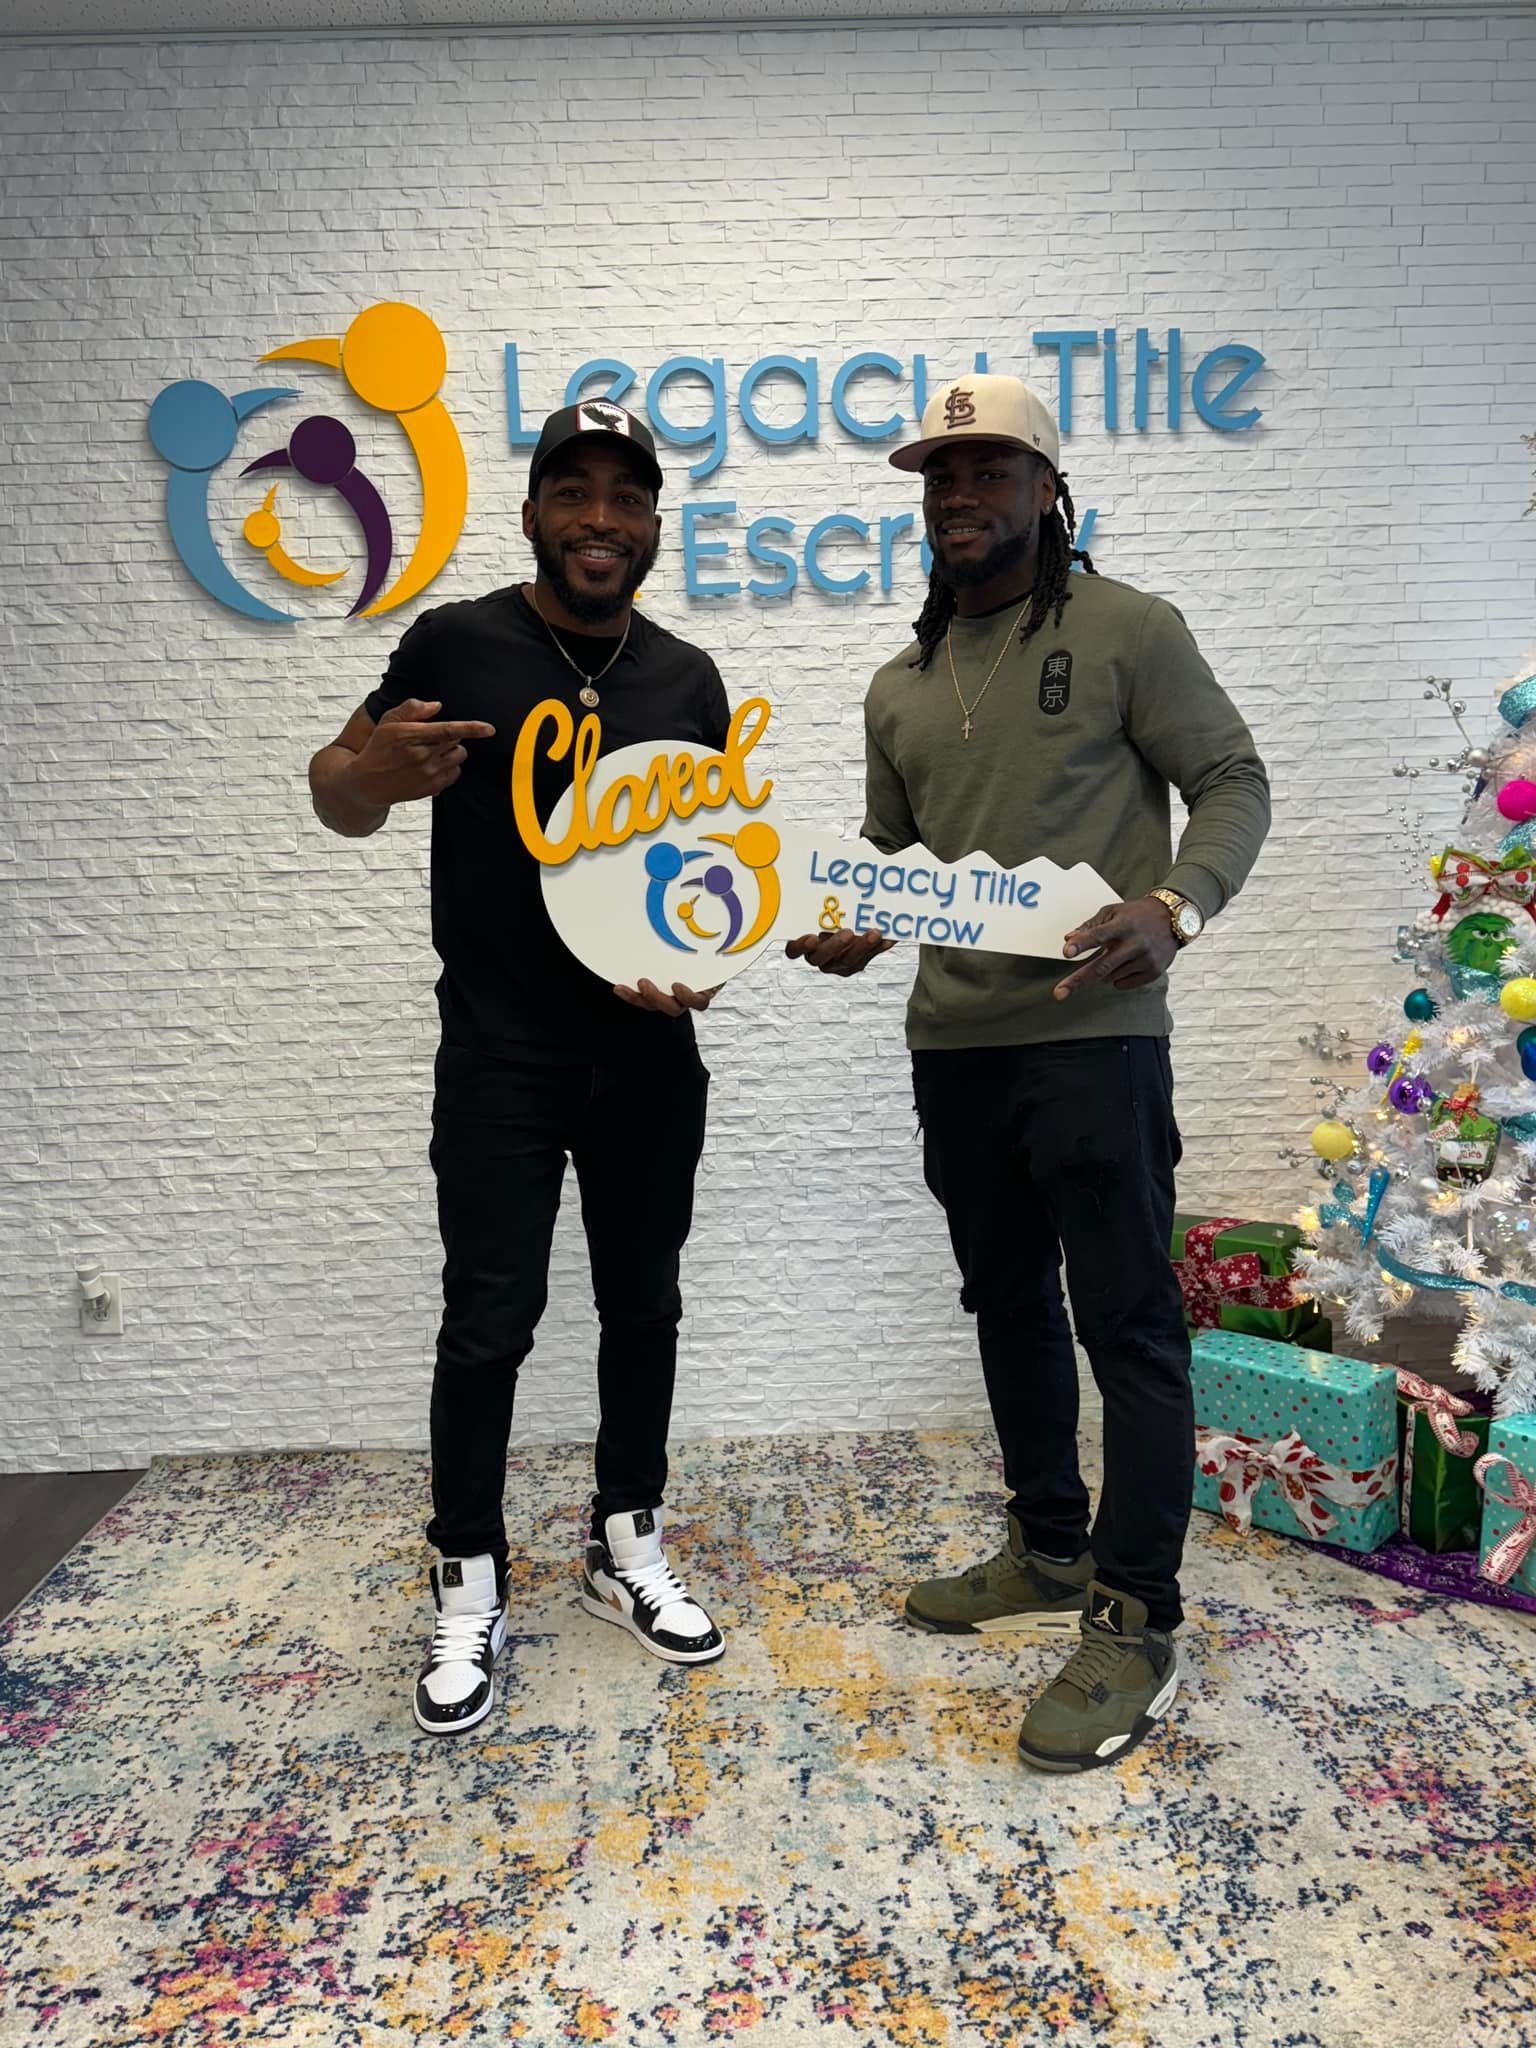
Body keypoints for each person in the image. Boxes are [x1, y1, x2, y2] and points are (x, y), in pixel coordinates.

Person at [788, 374, 1270, 1773]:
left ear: (1045, 489)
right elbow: (897, 865)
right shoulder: (902, 682)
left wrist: (1172, 911)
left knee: (1126, 1325)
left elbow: (1233, 779)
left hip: (1095, 1040)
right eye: (940, 477)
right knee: (1003, 1299)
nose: (959, 497)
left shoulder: (1130, 630)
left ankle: (1135, 1615)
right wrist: (856, 928)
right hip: (956, 1049)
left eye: (988, 470)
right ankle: (1050, 1547)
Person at [309, 400, 729, 1737]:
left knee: (645, 1303)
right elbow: (338, 786)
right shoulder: (458, 641)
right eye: (576, 493)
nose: (601, 520)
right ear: (536, 512)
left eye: (627, 498)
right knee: (488, 1318)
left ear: (654, 526)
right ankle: (468, 1573)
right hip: (498, 1050)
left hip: (650, 1055)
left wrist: (702, 957)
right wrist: (364, 772)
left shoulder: (687, 680)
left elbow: (704, 880)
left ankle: (626, 1539)